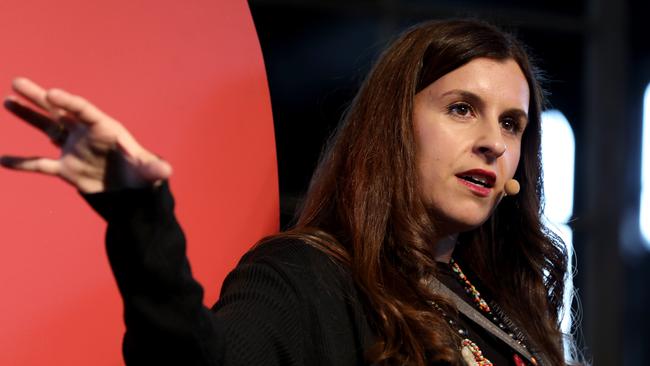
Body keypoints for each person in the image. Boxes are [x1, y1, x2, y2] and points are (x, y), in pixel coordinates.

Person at [1, 19, 578, 365]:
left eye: (511, 125)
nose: (493, 143)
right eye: (461, 109)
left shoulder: (505, 297)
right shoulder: (305, 277)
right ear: (393, 127)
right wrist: (138, 214)